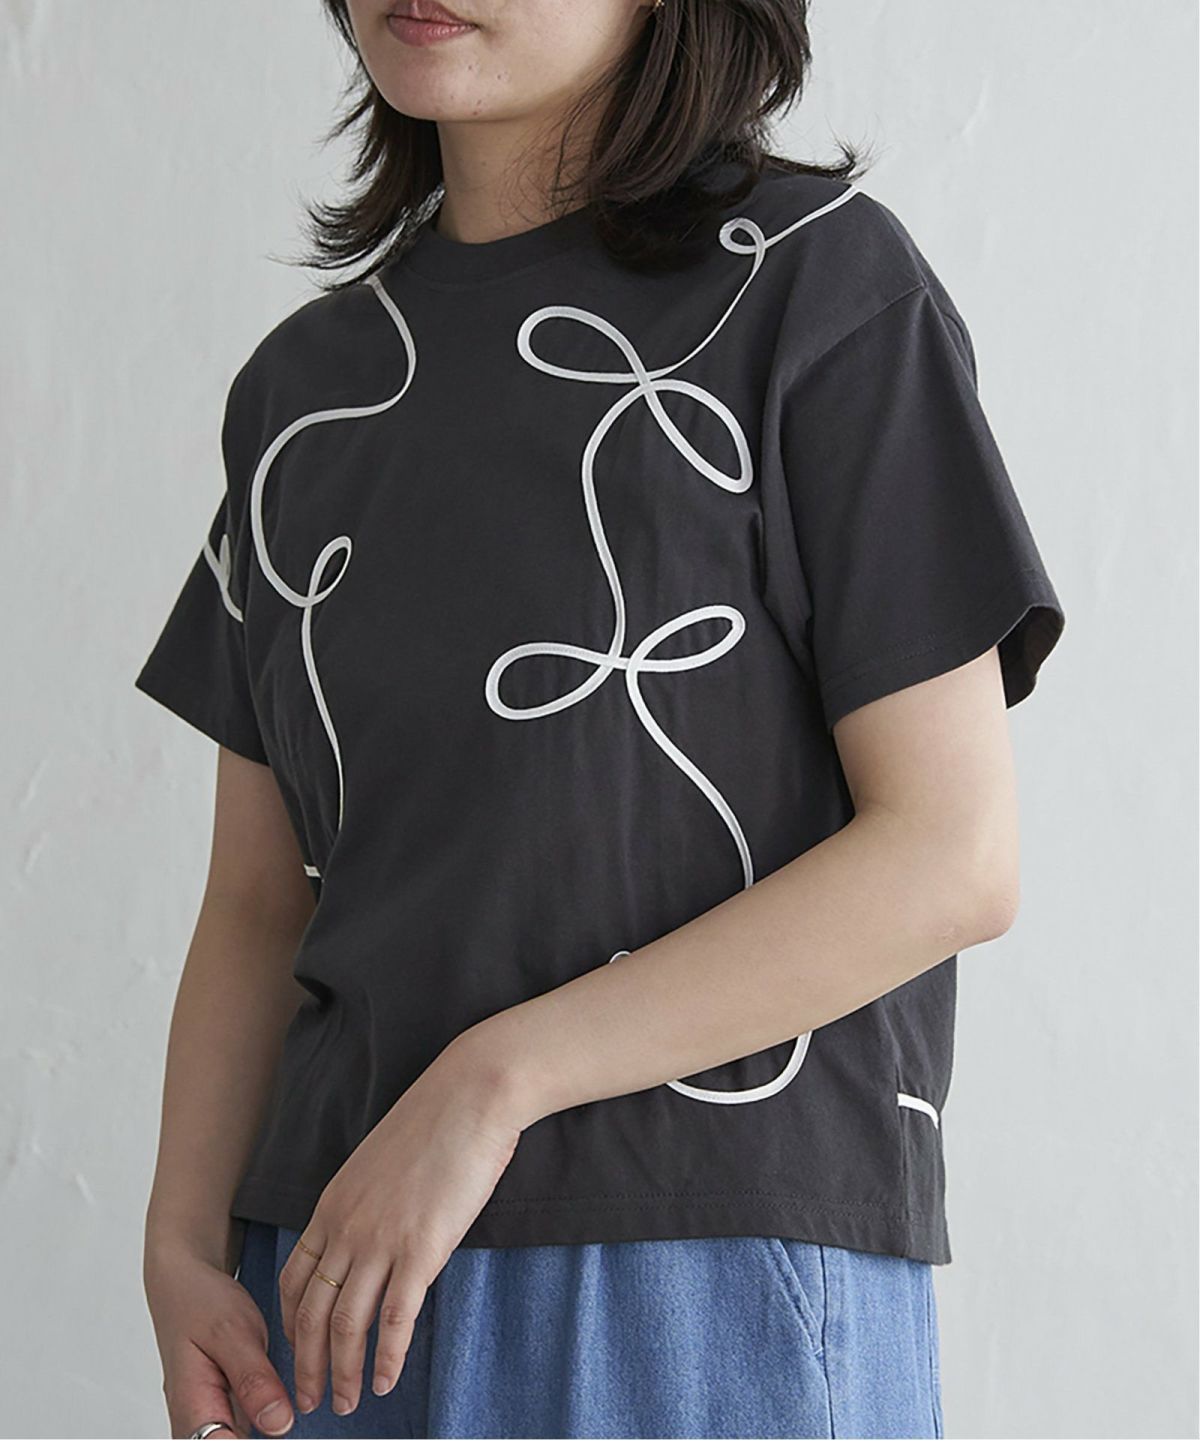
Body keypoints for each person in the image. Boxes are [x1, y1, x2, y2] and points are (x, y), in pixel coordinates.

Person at [134, 1, 1067, 1437]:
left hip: (700, 1264)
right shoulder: (303, 396)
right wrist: (182, 1247)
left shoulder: (817, 285)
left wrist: (494, 1083)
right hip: (333, 1288)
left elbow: (951, 855)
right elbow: (259, 901)